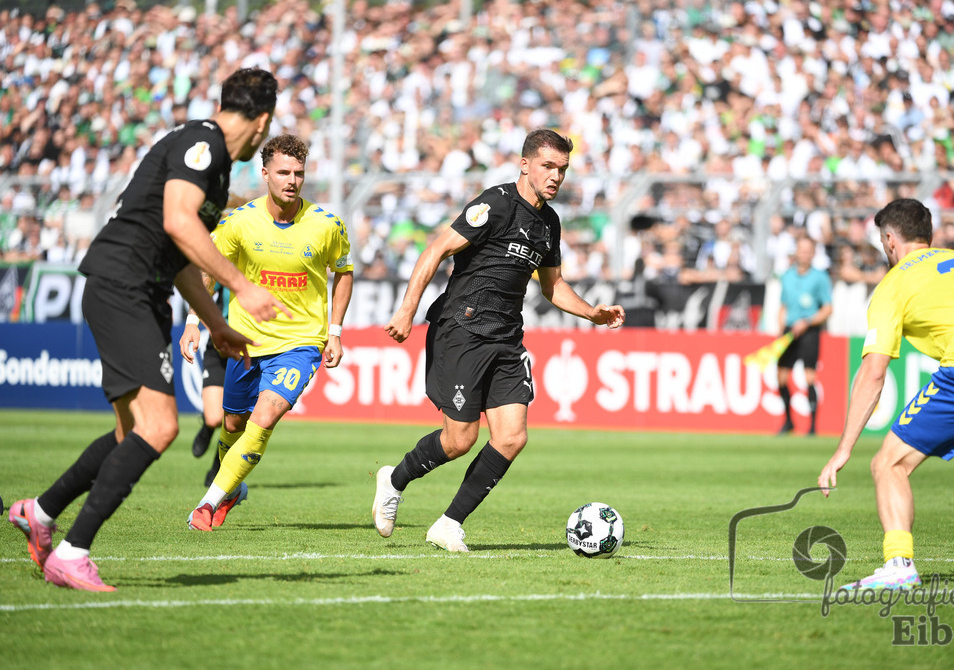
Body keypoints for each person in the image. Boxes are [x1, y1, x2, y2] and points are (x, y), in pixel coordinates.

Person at [7, 67, 285, 592]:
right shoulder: (202, 143)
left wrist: (217, 323)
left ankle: (39, 514)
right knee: (158, 428)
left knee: (127, 434)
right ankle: (72, 553)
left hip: (141, 290)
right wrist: (241, 288)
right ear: (263, 119)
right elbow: (181, 223)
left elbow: (181, 259)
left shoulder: (212, 163)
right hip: (123, 286)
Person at [372, 129, 625, 552]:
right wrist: (406, 311)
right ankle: (394, 479)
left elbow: (553, 286)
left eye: (562, 169)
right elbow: (435, 250)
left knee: (511, 437)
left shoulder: (550, 222)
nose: (556, 176)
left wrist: (592, 312)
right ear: (524, 164)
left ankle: (449, 523)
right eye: (548, 166)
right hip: (462, 330)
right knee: (459, 440)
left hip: (507, 338)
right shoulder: (496, 203)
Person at [818, 198, 954, 590]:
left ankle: (899, 564)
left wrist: (844, 448)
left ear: (891, 240)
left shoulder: (893, 285)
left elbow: (873, 372)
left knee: (888, 464)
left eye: (883, 240)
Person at [181, 133, 353, 531]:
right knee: (232, 426)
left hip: (300, 343)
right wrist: (194, 320)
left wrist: (335, 330)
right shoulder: (238, 221)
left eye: (299, 173)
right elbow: (208, 271)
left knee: (266, 415)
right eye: (283, 172)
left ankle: (206, 504)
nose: (292, 180)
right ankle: (232, 488)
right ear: (264, 174)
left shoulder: (327, 225)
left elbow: (343, 273)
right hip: (246, 342)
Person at [776, 236, 833, 436]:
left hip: (809, 330)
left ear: (813, 253)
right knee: (781, 377)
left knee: (809, 376)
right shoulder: (787, 276)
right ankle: (789, 421)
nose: (805, 253)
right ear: (797, 251)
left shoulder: (820, 277)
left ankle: (812, 427)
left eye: (809, 250)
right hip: (790, 331)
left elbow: (827, 308)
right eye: (802, 249)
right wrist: (781, 329)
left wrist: (808, 321)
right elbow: (783, 306)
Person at [189, 281, 230, 487]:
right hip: (219, 348)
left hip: (251, 352)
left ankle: (216, 469)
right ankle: (207, 425)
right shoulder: (226, 261)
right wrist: (213, 329)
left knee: (235, 421)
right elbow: (201, 293)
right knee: (215, 418)